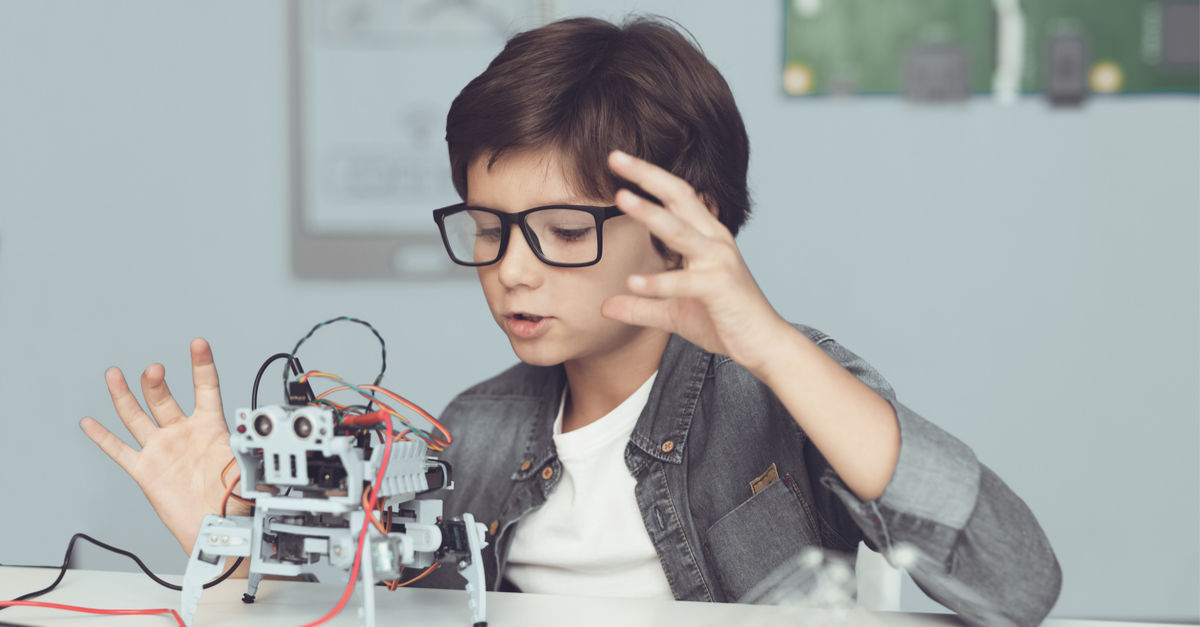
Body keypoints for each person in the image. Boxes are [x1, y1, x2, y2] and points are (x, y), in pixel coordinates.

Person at [80, 15, 1061, 625]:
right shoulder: (476, 430)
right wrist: (236, 535)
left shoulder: (789, 391)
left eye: (558, 230)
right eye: (490, 229)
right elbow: (390, 614)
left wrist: (766, 338)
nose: (511, 270)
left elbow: (1019, 590)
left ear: (682, 225)